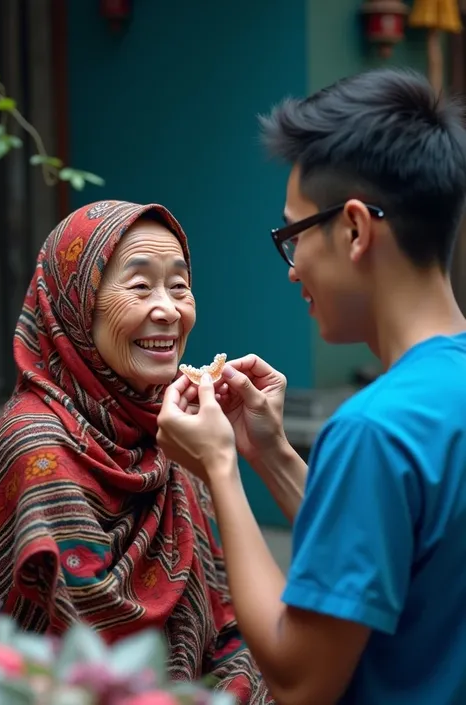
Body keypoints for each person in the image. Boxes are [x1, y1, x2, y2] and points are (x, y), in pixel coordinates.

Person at [156, 68, 466, 705]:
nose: (293, 267)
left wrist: (220, 468)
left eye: (293, 235)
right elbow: (384, 554)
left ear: (354, 229)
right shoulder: (432, 402)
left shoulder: (373, 431)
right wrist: (269, 454)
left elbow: (299, 680)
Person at [0, 200, 273, 703]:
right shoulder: (37, 443)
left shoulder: (173, 426)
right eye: (140, 286)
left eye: (180, 286)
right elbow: (95, 652)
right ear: (77, 306)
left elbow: (232, 610)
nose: (168, 309)